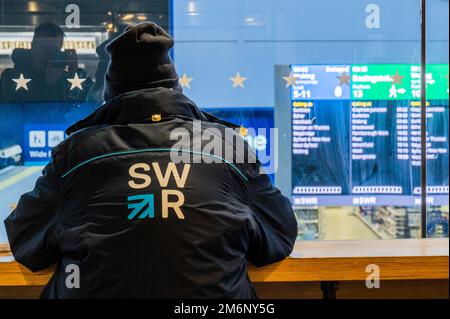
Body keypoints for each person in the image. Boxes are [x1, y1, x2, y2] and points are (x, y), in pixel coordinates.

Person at [4, 22, 297, 299]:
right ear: (174, 85)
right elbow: (279, 235)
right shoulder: (228, 150)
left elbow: (26, 240)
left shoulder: (76, 155)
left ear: (111, 92)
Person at [0, 22, 92, 103]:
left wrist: (74, 72)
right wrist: (50, 84)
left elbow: (86, 104)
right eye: (43, 48)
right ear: (33, 47)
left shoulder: (68, 80)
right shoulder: (11, 77)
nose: (48, 55)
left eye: (54, 50)